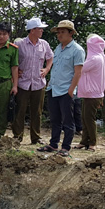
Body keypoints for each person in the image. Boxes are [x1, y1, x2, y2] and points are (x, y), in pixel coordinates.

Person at [38, 20, 84, 156]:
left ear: (71, 33)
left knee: (68, 121)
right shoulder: (58, 48)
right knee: (55, 119)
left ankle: (66, 147)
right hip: (53, 88)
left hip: (66, 90)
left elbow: (78, 72)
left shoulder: (77, 50)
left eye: (62, 32)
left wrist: (71, 90)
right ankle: (53, 144)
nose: (59, 35)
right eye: (58, 32)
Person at [11, 17, 53, 144]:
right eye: (39, 29)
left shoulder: (44, 44)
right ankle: (17, 136)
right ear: (32, 30)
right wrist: (15, 74)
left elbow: (50, 57)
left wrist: (47, 69)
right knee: (20, 111)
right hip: (23, 83)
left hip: (38, 83)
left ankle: (36, 137)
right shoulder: (20, 44)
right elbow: (13, 61)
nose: (41, 31)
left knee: (37, 112)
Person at [74, 34, 105, 151]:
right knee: (85, 117)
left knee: (89, 118)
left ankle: (92, 142)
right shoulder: (103, 58)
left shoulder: (94, 59)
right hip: (94, 92)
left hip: (92, 93)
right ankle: (84, 141)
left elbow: (80, 69)